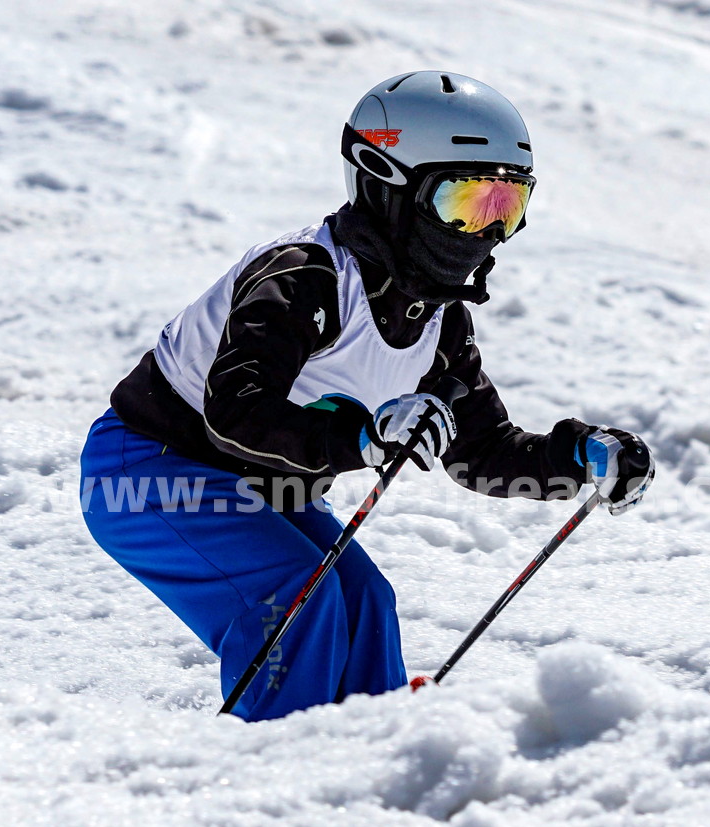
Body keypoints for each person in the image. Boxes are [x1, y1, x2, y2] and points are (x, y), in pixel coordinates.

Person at [80, 71, 654, 721]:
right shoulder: (306, 276)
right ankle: (270, 771)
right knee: (297, 598)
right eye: (467, 202)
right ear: (387, 183)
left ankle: (372, 751)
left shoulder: (437, 320)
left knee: (365, 599)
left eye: (507, 207)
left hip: (266, 487)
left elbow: (482, 450)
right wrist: (361, 437)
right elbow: (236, 408)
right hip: (150, 470)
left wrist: (579, 459)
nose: (484, 233)